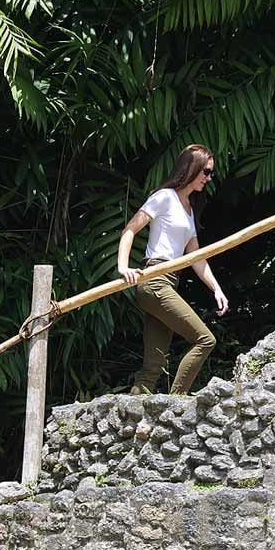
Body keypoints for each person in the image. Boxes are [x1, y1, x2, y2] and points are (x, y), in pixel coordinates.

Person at [117, 144, 229, 395]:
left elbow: (197, 258)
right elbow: (130, 230)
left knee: (152, 368)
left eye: (211, 173)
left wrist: (217, 290)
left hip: (168, 283)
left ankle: (131, 426)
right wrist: (124, 267)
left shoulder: (188, 210)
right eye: (206, 171)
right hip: (155, 279)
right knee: (205, 339)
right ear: (192, 168)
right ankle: (176, 402)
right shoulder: (164, 197)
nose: (209, 178)